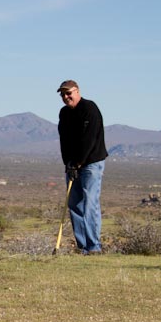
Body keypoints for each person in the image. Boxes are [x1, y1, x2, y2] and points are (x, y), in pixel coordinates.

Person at [56, 79, 108, 255]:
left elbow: (89, 139)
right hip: (73, 165)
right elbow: (64, 140)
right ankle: (82, 246)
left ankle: (94, 246)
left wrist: (78, 162)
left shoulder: (89, 109)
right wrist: (68, 163)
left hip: (91, 163)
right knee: (74, 204)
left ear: (77, 91)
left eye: (68, 93)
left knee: (89, 203)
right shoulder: (64, 113)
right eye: (63, 94)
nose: (65, 96)